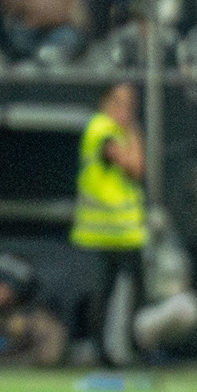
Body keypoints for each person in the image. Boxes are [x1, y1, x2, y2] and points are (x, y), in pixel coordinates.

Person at [72, 81, 150, 368]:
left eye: (130, 103)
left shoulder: (118, 131)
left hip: (125, 234)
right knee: (101, 299)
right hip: (100, 234)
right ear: (105, 102)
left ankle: (123, 352)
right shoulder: (101, 128)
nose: (125, 109)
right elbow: (135, 167)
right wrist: (134, 132)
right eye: (119, 102)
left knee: (127, 298)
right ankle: (102, 354)